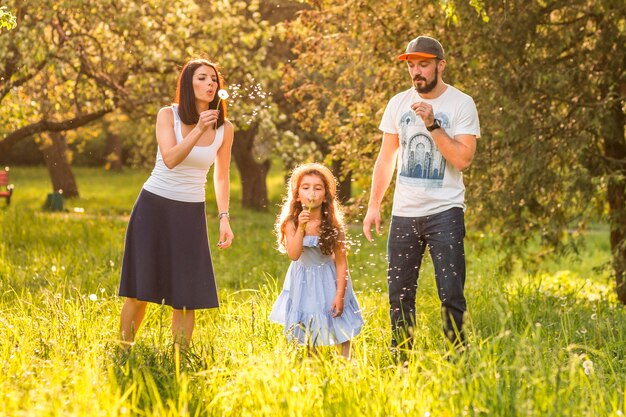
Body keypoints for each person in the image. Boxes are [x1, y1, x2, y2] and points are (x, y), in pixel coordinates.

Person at [363, 36, 480, 352]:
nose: (416, 72)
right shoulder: (397, 103)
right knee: (399, 294)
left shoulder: (461, 104)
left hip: (445, 212)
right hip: (404, 215)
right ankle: (401, 360)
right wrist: (374, 205)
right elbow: (386, 158)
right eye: (412, 65)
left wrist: (432, 123)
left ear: (440, 65)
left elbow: (463, 159)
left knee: (451, 293)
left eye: (423, 64)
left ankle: (458, 358)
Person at [118, 58, 234, 350]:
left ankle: (179, 360)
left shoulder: (224, 128)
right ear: (188, 83)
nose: (210, 84)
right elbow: (170, 159)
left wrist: (224, 217)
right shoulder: (167, 116)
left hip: (190, 212)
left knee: (187, 295)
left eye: (214, 80)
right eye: (203, 78)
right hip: (154, 207)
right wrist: (196, 130)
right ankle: (124, 349)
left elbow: (221, 176)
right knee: (140, 290)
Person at [270, 163, 363, 359]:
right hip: (303, 280)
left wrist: (340, 294)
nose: (311, 193)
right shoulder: (291, 223)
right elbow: (294, 255)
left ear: (325, 195)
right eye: (306, 187)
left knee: (340, 327)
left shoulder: (333, 225)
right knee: (308, 328)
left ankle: (349, 371)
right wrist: (302, 227)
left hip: (329, 279)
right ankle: (313, 371)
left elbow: (341, 262)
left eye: (318, 188)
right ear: (297, 195)